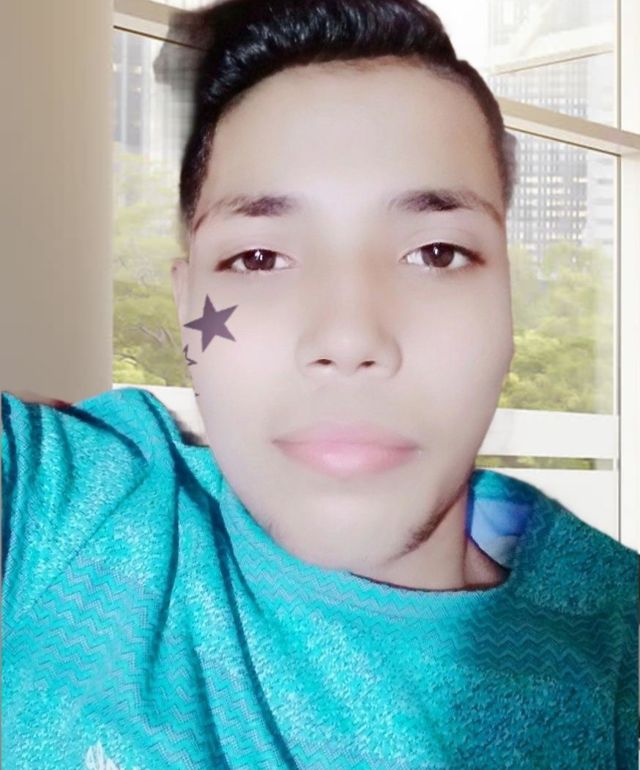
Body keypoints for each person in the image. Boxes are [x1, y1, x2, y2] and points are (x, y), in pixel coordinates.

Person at [2, 1, 637, 768]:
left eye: (436, 253)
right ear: (188, 309)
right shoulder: (58, 511)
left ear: (507, 302)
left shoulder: (617, 644)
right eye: (260, 259)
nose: (348, 337)